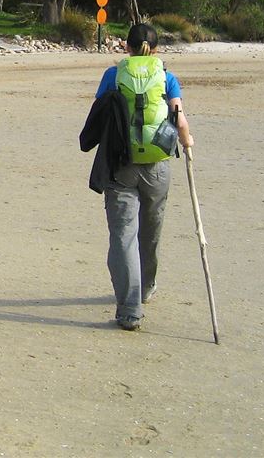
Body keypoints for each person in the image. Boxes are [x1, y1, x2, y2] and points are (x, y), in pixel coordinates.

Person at [85, 23, 194, 331]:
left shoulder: (112, 75)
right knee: (151, 230)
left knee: (123, 234)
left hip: (120, 163)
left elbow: (98, 113)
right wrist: (187, 142)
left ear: (126, 47)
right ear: (157, 50)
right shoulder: (167, 77)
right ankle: (145, 288)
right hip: (157, 164)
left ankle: (129, 309)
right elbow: (178, 118)